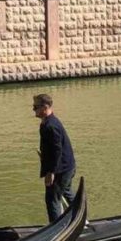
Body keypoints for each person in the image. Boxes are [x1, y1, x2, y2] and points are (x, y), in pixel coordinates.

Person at [34, 93, 76, 223]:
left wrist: (51, 172)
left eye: (36, 107)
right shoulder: (48, 123)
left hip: (60, 170)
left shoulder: (50, 126)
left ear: (45, 107)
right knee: (67, 192)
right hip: (67, 166)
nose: (33, 109)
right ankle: (82, 219)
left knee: (52, 199)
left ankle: (56, 230)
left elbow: (57, 150)